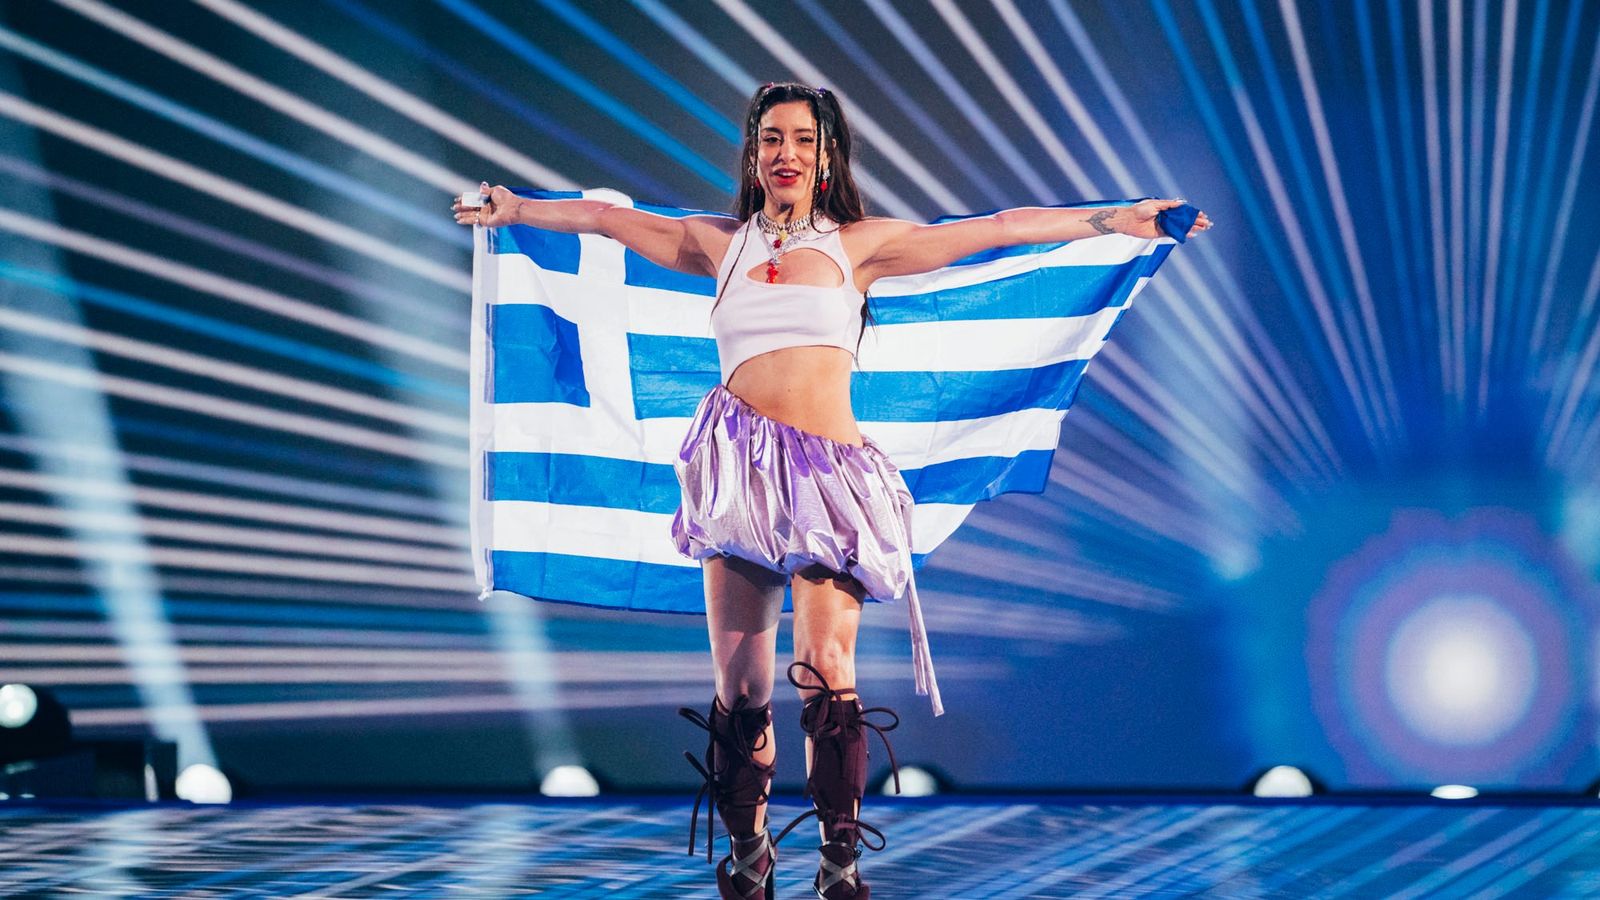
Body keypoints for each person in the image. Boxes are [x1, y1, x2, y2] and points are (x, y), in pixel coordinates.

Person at [454, 82, 1211, 900]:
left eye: (804, 141)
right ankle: (748, 852)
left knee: (824, 669)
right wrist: (514, 209)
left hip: (830, 476)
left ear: (826, 158)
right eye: (773, 138)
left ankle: (840, 860)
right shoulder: (719, 244)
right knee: (741, 690)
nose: (787, 153)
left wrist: (1121, 218)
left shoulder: (860, 247)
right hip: (738, 471)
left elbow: (996, 230)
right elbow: (605, 219)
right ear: (753, 154)